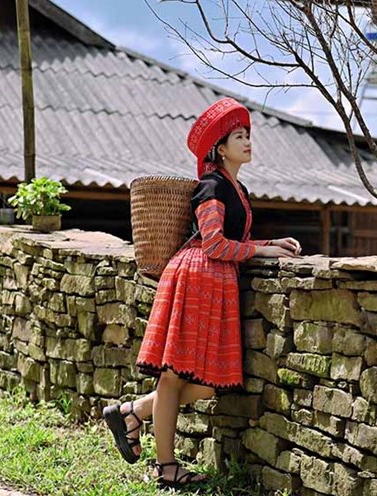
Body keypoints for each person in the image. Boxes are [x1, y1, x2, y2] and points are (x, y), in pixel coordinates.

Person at [103, 98, 301, 488]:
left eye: (248, 135)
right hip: (195, 279)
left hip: (214, 284)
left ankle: (133, 411)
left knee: (213, 380)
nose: (248, 142)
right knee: (174, 377)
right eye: (239, 136)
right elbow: (213, 244)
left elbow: (230, 241)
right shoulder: (210, 186)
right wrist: (264, 249)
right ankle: (166, 468)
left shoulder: (235, 186)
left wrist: (271, 241)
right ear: (219, 148)